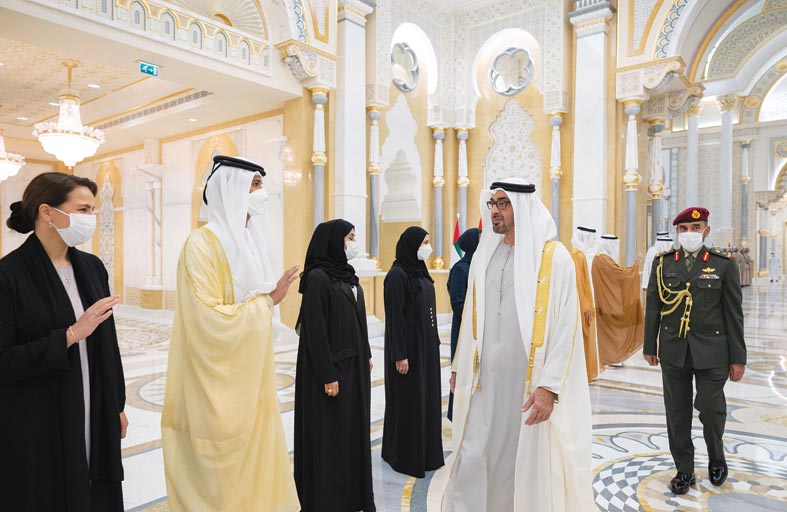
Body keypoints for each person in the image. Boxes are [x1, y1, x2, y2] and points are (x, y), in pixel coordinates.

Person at [444, 178, 594, 512]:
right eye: (492, 204)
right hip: (485, 384)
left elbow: (566, 327)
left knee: (521, 466)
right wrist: (458, 367)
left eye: (503, 204)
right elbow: (470, 318)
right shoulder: (486, 255)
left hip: (527, 387)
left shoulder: (554, 259)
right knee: (475, 455)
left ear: (523, 208)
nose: (495, 212)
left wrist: (548, 387)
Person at [161, 155, 300, 511]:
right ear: (231, 189)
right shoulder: (200, 245)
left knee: (256, 454)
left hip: (252, 374)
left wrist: (268, 306)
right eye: (254, 185)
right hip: (214, 380)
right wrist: (267, 302)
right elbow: (206, 318)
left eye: (262, 185)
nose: (262, 194)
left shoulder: (251, 241)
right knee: (220, 469)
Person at [0, 172, 126, 510]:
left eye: (92, 210)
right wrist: (70, 335)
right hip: (40, 414)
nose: (90, 218)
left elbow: (108, 344)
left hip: (94, 404)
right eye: (83, 210)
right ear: (47, 212)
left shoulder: (92, 267)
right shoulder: (9, 275)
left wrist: (116, 404)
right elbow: (4, 359)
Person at [644, 207, 746, 495]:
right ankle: (684, 470)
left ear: (706, 230)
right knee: (677, 413)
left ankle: (717, 456)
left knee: (711, 409)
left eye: (695, 227)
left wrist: (738, 357)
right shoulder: (663, 263)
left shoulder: (723, 264)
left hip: (713, 350)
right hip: (673, 349)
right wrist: (650, 344)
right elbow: (653, 306)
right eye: (684, 228)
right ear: (677, 232)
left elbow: (733, 314)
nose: (689, 233)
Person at [294, 219, 376, 512]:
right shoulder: (318, 278)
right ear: (333, 240)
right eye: (349, 237)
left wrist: (367, 353)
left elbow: (359, 321)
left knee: (351, 432)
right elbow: (315, 332)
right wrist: (327, 375)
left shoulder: (348, 276)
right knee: (331, 435)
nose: (353, 243)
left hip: (354, 367)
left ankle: (354, 495)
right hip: (332, 373)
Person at [382, 226, 445, 477]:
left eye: (428, 242)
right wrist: (400, 355)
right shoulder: (397, 275)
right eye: (423, 243)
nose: (427, 247)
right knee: (409, 402)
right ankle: (405, 455)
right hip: (408, 352)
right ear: (411, 244)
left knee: (426, 400)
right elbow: (395, 318)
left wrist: (434, 342)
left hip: (426, 349)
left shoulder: (419, 270)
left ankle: (427, 453)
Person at [592, 234, 645, 367]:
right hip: (608, 303)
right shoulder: (602, 259)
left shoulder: (600, 258)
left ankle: (613, 357)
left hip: (606, 301)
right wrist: (635, 265)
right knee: (612, 332)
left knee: (609, 332)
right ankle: (612, 358)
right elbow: (619, 274)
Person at [447, 227, 480, 419]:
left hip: (476, 328)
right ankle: (457, 413)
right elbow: (457, 302)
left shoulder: (477, 266)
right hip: (463, 329)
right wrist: (476, 315)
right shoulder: (461, 269)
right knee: (461, 369)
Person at [571, 226, 600, 382]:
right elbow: (580, 284)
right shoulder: (578, 255)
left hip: (587, 300)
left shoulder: (583, 254)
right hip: (582, 303)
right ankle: (584, 373)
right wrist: (586, 306)